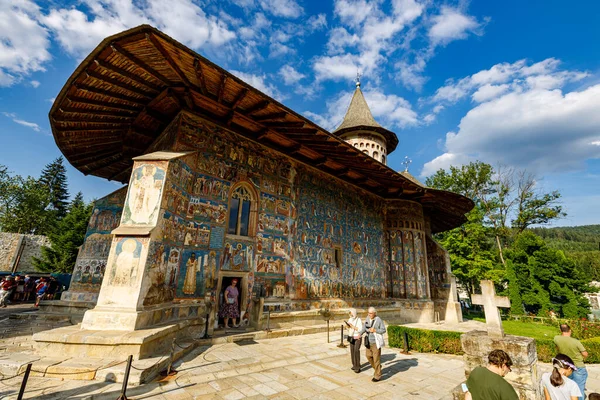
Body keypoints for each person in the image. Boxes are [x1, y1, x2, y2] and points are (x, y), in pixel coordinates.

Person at [554, 324, 588, 400]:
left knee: (569, 386)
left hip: (566, 366)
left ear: (561, 330)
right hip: (578, 366)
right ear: (570, 331)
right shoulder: (576, 341)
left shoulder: (556, 338)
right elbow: (585, 354)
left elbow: (557, 347)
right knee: (579, 388)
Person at [359, 306, 386, 382]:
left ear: (374, 313)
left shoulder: (379, 320)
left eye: (370, 313)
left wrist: (375, 330)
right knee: (368, 356)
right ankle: (378, 368)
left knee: (376, 359)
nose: (369, 314)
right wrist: (359, 334)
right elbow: (364, 327)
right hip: (368, 341)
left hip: (375, 343)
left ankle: (377, 376)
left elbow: (383, 330)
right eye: (368, 313)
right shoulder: (367, 318)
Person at [346, 308, 363, 373]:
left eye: (351, 313)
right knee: (352, 351)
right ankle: (354, 364)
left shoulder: (358, 320)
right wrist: (348, 326)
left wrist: (353, 327)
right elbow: (349, 329)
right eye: (349, 313)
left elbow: (360, 329)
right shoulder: (350, 319)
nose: (350, 314)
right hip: (351, 337)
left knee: (356, 350)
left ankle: (357, 367)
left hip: (357, 337)